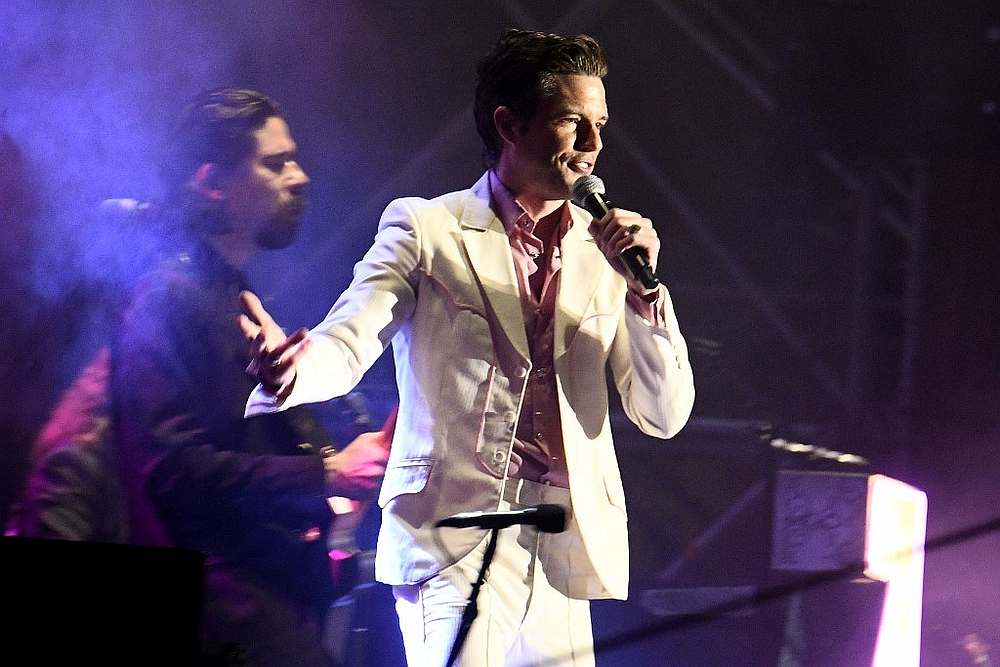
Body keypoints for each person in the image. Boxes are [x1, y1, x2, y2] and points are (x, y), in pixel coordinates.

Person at [240, 30, 695, 666]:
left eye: (600, 124)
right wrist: (290, 370)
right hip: (453, 537)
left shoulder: (606, 252)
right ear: (509, 124)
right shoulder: (428, 229)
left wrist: (645, 294)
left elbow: (663, 414)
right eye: (572, 122)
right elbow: (348, 340)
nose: (594, 145)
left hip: (565, 545)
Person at [111, 88, 389, 665]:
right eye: (275, 163)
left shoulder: (232, 295)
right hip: (226, 617)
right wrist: (327, 472)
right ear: (212, 183)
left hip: (263, 604)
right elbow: (175, 471)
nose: (301, 177)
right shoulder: (166, 297)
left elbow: (235, 447)